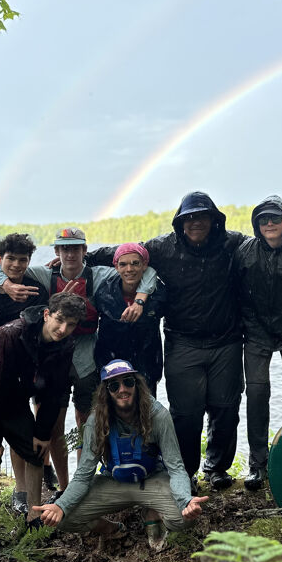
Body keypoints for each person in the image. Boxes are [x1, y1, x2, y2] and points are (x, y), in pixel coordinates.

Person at [87, 192, 245, 492]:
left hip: (226, 340)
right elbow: (123, 254)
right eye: (188, 217)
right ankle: (185, 472)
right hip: (182, 341)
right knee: (185, 413)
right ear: (180, 222)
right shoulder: (162, 247)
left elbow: (260, 244)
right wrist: (79, 256)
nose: (195, 222)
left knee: (225, 407)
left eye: (201, 216)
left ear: (214, 219)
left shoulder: (231, 243)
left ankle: (217, 468)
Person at [0, 228, 155, 463]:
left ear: (84, 250)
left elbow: (147, 272)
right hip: (51, 357)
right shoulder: (46, 274)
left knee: (85, 422)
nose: (70, 254)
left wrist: (140, 299)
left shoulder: (99, 275)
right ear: (57, 250)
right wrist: (6, 284)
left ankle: (84, 474)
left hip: (86, 356)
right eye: (65, 248)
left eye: (75, 248)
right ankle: (56, 478)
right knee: (50, 420)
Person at [0, 292, 87, 556]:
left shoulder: (65, 344)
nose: (63, 329)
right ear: (47, 314)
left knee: (36, 451)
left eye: (71, 324)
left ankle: (33, 517)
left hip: (13, 398)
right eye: (59, 320)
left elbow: (54, 391)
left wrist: (42, 431)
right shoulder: (10, 334)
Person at [32, 359, 208, 550]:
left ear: (137, 384)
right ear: (106, 392)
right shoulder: (95, 421)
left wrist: (185, 500)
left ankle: (153, 513)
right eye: (114, 385)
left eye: (128, 382)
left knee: (185, 520)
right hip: (113, 482)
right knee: (64, 519)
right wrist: (61, 505)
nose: (122, 389)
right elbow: (83, 475)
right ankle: (110, 528)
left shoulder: (158, 415)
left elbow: (176, 467)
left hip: (152, 480)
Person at [0, 233, 59, 511]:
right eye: (11, 259)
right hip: (0, 367)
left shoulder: (35, 290)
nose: (16, 265)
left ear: (29, 262)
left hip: (31, 367)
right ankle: (10, 491)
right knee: (5, 427)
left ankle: (31, 484)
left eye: (22, 260)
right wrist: (3, 285)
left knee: (30, 428)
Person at [234, 196, 282, 490]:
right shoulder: (245, 252)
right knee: (256, 396)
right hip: (256, 333)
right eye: (263, 219)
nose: (269, 224)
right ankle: (258, 464)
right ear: (256, 224)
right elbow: (235, 292)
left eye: (275, 219)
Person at [93, 243, 166, 396]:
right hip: (110, 363)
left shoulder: (158, 292)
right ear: (116, 267)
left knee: (145, 414)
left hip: (147, 364)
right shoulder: (103, 292)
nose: (129, 269)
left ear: (144, 265)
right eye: (123, 264)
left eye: (135, 264)